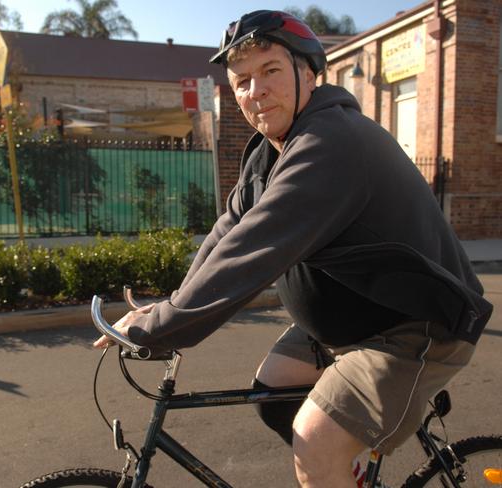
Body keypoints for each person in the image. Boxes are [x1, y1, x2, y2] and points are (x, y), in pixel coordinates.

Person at [95, 9, 493, 487]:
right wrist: (174, 304)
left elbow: (257, 247)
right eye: (241, 81)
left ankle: (333, 464)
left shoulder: (332, 142)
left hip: (415, 326)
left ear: (308, 73)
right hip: (351, 323)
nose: (254, 91)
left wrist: (163, 329)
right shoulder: (270, 151)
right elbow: (230, 232)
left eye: (270, 72)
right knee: (273, 393)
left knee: (315, 439)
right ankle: (350, 473)